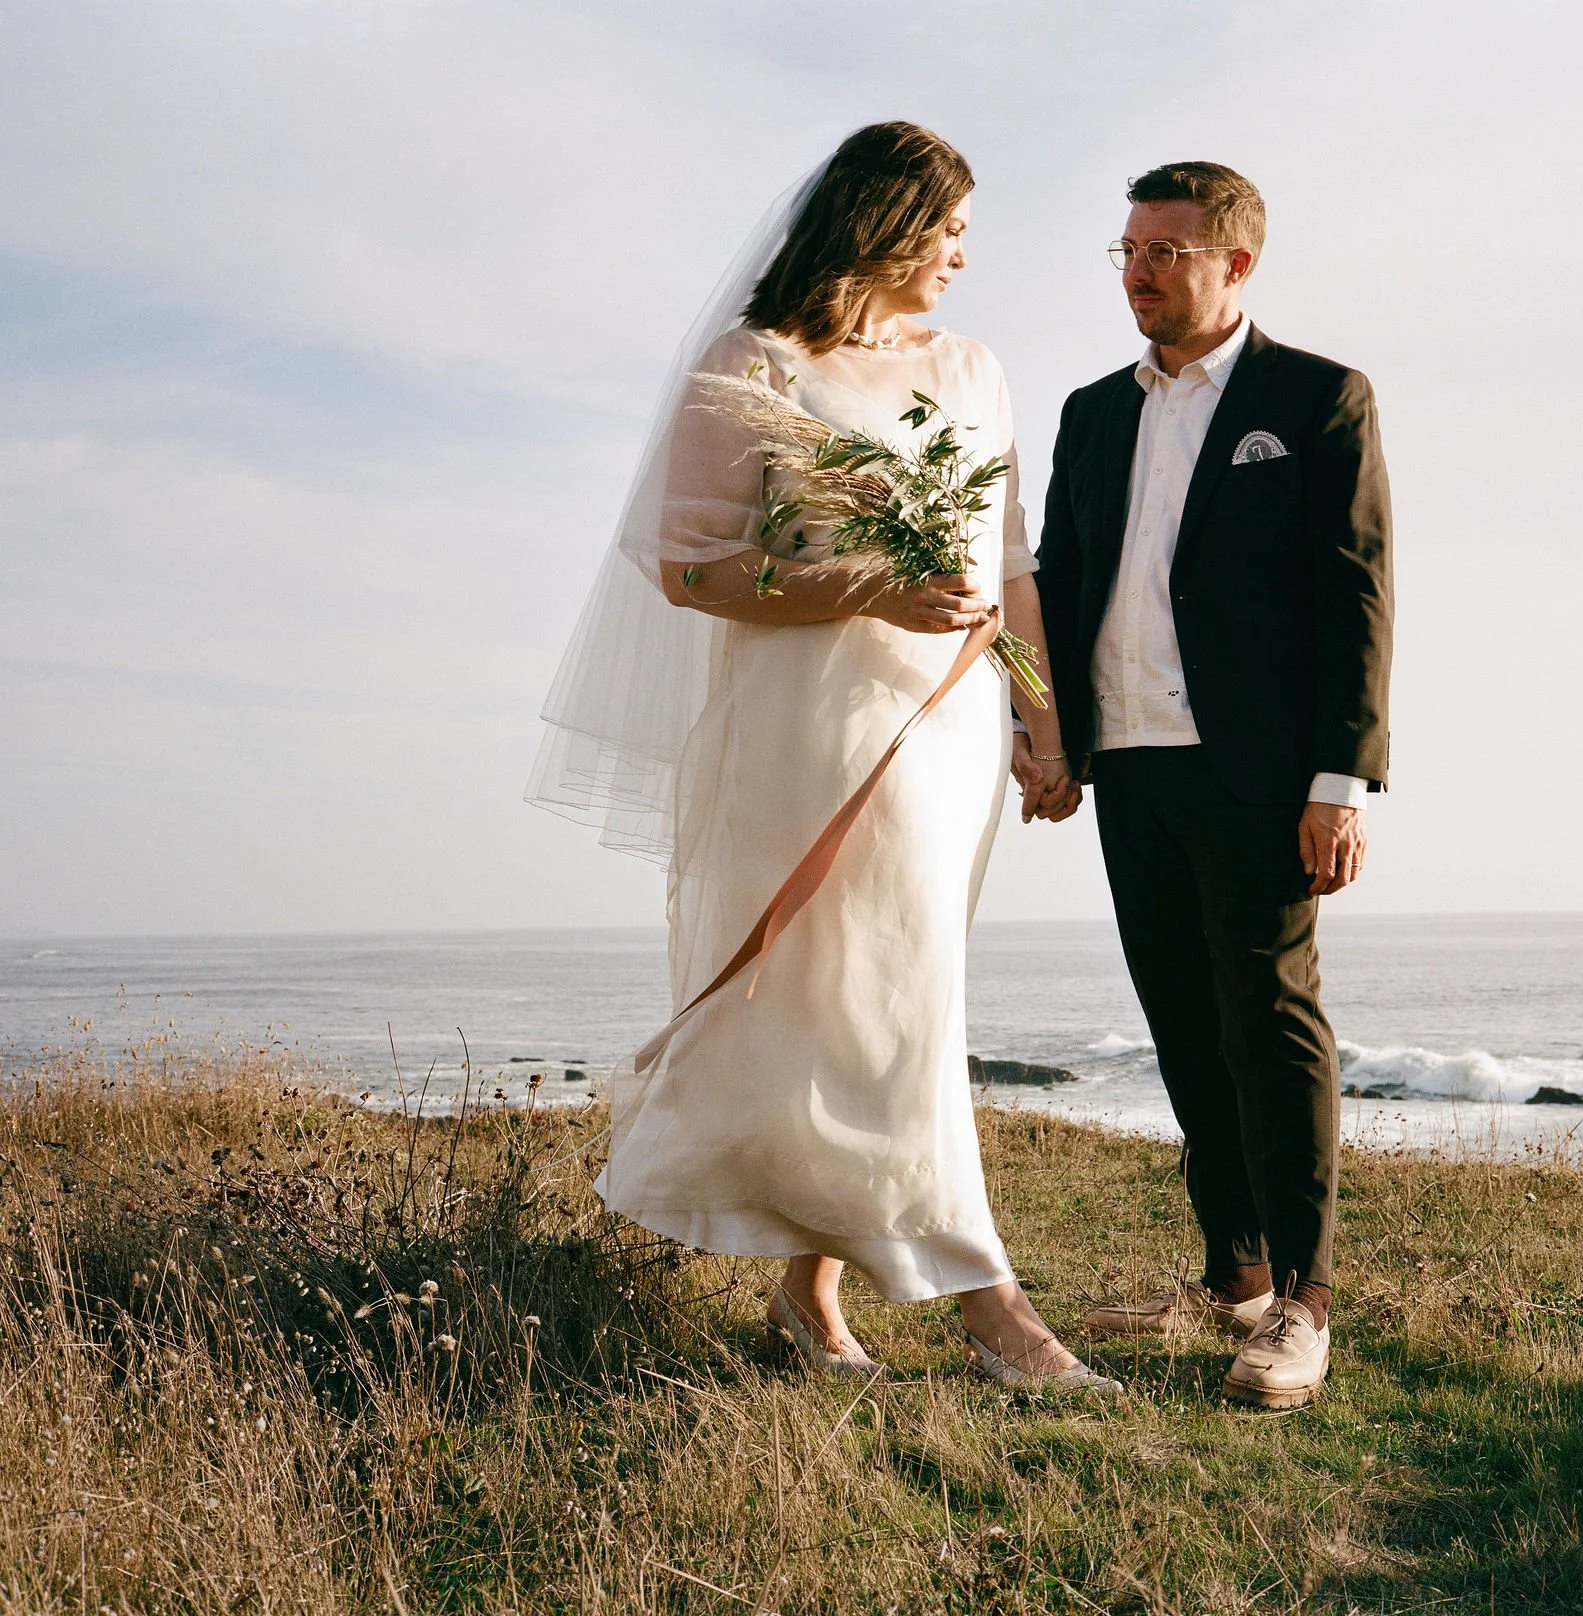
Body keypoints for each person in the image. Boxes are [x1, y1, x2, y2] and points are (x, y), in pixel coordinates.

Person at [529, 122, 1110, 1393]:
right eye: (946, 227)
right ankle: (986, 1301)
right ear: (884, 223)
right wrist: (859, 584)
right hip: (811, 727)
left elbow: (1002, 569)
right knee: (856, 995)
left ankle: (809, 1290)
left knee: (906, 989)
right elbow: (688, 565)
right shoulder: (757, 363)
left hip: (951, 731)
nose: (963, 253)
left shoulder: (974, 366)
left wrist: (1042, 721)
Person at [1030, 162, 1393, 1409]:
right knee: (1182, 1013)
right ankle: (1231, 1273)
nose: (1140, 268)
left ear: (1234, 264)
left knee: (1268, 1017)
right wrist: (1051, 736)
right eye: (1127, 248)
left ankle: (1304, 1297)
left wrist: (1339, 779)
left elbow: (1356, 596)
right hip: (1127, 762)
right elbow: (1060, 578)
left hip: (1259, 770)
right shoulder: (1091, 412)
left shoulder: (1314, 396)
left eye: (1167, 250)